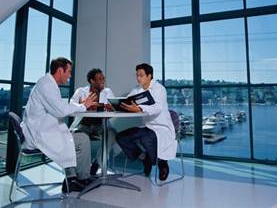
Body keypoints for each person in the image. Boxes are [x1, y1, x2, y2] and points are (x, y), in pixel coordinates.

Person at [21, 57, 98, 193]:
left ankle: (73, 178)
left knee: (73, 137)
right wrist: (83, 105)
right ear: (60, 70)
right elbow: (61, 110)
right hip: (40, 135)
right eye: (68, 72)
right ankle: (79, 179)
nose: (70, 75)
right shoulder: (47, 86)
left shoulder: (47, 84)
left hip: (42, 130)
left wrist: (81, 105)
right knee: (82, 139)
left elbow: (60, 107)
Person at [116, 63, 177, 181]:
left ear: (149, 76)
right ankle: (145, 159)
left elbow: (157, 108)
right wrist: (116, 106)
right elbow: (128, 102)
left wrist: (139, 108)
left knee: (146, 138)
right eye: (137, 75)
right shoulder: (137, 89)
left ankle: (162, 162)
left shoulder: (160, 89)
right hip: (147, 126)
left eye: (141, 75)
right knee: (121, 137)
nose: (138, 78)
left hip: (161, 127)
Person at [70, 68, 117, 175]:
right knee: (79, 137)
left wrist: (108, 107)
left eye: (103, 78)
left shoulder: (107, 91)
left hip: (101, 124)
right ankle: (79, 173)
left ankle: (97, 164)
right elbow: (71, 105)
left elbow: (114, 106)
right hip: (84, 124)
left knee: (112, 134)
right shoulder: (81, 91)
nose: (103, 81)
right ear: (92, 81)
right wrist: (84, 104)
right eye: (100, 79)